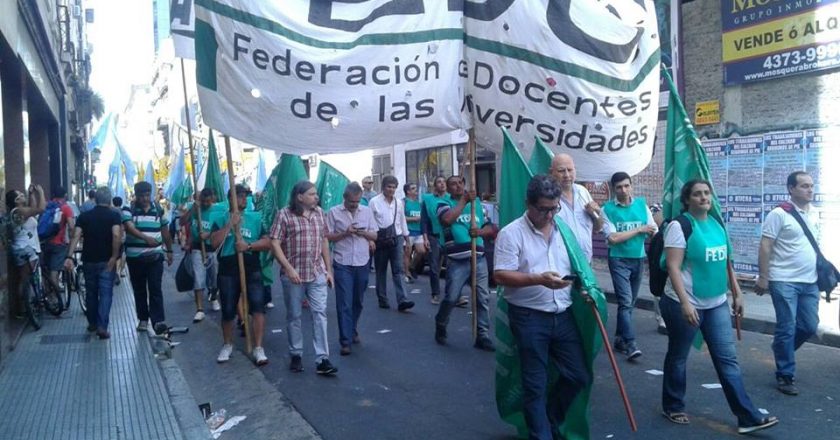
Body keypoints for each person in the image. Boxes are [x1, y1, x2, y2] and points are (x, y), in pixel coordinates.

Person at [660, 179, 778, 434]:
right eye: (697, 194)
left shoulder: (716, 225)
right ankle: (672, 405)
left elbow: (727, 263)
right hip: (685, 302)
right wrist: (685, 303)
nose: (704, 197)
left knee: (727, 359)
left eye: (706, 193)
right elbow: (673, 266)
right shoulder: (680, 227)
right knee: (679, 356)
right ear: (687, 200)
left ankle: (747, 417)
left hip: (716, 304)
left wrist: (737, 294)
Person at [493, 175, 590, 439]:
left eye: (554, 208)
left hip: (563, 314)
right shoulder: (511, 233)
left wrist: (583, 287)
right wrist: (538, 279)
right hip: (529, 317)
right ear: (528, 204)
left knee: (578, 376)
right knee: (535, 384)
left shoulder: (565, 231)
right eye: (543, 209)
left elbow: (577, 268)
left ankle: (550, 419)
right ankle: (541, 434)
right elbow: (500, 275)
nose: (549, 215)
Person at [756, 171, 819, 396]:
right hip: (783, 279)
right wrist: (763, 277)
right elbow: (765, 245)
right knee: (787, 326)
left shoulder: (815, 213)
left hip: (810, 281)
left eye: (811, 186)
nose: (809, 190)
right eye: (804, 186)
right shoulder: (778, 214)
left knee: (809, 326)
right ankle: (785, 374)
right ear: (791, 189)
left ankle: (782, 350)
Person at [271, 181, 338, 376]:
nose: (316, 197)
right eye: (311, 194)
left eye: (316, 194)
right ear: (299, 197)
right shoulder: (284, 214)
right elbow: (275, 243)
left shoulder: (319, 213)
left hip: (316, 272)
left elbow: (324, 239)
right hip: (294, 275)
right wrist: (288, 268)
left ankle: (322, 359)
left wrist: (328, 270)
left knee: (320, 314)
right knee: (294, 315)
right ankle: (296, 354)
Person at [211, 184, 272, 366]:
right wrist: (230, 224)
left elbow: (267, 241)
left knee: (258, 307)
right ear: (231, 199)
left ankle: (258, 347)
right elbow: (214, 244)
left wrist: (249, 246)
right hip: (228, 266)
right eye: (239, 196)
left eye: (245, 196)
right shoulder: (219, 218)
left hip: (251, 265)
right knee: (228, 309)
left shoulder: (255, 218)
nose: (244, 199)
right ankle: (227, 344)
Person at [433, 175, 495, 351]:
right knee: (452, 297)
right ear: (448, 187)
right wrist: (463, 201)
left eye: (461, 183)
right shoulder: (443, 204)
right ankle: (441, 323)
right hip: (457, 260)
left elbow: (491, 227)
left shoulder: (476, 206)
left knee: (482, 297)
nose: (458, 186)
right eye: (453, 184)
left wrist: (480, 232)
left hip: (479, 257)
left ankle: (482, 334)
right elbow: (447, 220)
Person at [601, 172, 658, 360]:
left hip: (638, 258)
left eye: (626, 186)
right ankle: (631, 343)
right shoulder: (607, 209)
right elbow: (613, 238)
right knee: (625, 302)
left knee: (629, 303)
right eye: (619, 187)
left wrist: (650, 229)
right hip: (618, 260)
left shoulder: (642, 206)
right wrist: (640, 229)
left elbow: (653, 229)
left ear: (631, 186)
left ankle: (619, 338)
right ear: (613, 189)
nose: (623, 190)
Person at [326, 182, 378, 356]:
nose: (354, 205)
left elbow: (375, 235)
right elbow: (327, 237)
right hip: (342, 262)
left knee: (358, 301)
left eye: (357, 202)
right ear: (345, 198)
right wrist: (346, 233)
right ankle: (345, 340)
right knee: (344, 303)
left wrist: (363, 234)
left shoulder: (367, 211)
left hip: (362, 261)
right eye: (351, 202)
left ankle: (352, 328)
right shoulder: (334, 212)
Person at [65, 186, 122, 339]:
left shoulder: (84, 216)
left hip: (88, 260)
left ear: (95, 199)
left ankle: (92, 323)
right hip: (106, 261)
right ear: (109, 200)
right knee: (105, 294)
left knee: (91, 293)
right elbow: (116, 235)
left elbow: (75, 236)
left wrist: (69, 256)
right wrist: (114, 257)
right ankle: (102, 326)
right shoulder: (114, 216)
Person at [123, 181, 174, 334]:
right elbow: (129, 228)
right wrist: (145, 238)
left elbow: (165, 230)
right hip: (135, 257)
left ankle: (158, 321)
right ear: (136, 195)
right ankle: (143, 319)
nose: (145, 199)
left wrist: (169, 250)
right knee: (139, 289)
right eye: (142, 196)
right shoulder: (128, 209)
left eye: (147, 195)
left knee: (155, 288)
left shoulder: (158, 209)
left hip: (155, 256)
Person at [369, 175, 415, 312]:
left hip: (397, 237)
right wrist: (371, 239)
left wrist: (407, 240)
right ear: (383, 187)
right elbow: (370, 222)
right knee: (381, 270)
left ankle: (403, 299)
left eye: (394, 187)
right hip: (381, 239)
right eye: (389, 186)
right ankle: (382, 298)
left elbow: (402, 221)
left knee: (398, 269)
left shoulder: (398, 203)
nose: (391, 189)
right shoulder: (374, 202)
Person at [549, 154, 603, 262]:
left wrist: (596, 214)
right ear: (551, 172)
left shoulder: (583, 192)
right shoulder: (548, 197)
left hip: (586, 262)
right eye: (561, 171)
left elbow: (598, 228)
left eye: (570, 170)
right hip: (561, 264)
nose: (567, 175)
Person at [5, 184, 46, 316]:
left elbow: (33, 208)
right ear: (15, 202)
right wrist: (41, 192)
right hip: (25, 249)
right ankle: (24, 308)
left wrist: (31, 194)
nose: (22, 195)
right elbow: (40, 209)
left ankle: (25, 307)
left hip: (24, 248)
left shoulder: (22, 212)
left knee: (25, 279)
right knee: (26, 279)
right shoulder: (19, 212)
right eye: (20, 196)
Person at [184, 188, 221, 323]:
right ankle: (199, 309)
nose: (205, 204)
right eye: (203, 201)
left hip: (212, 249)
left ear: (212, 199)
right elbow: (182, 221)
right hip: (197, 248)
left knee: (215, 277)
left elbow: (222, 230)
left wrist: (209, 235)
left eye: (208, 201)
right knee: (198, 278)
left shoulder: (217, 211)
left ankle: (214, 296)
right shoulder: (195, 210)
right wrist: (192, 210)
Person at [41, 186, 76, 300]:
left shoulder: (46, 205)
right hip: (59, 244)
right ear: (65, 195)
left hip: (45, 242)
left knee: (46, 270)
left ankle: (47, 296)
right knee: (54, 271)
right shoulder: (66, 208)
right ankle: (55, 299)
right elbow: (71, 227)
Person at [421, 176, 447, 304]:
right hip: (433, 236)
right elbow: (424, 221)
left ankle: (453, 294)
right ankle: (435, 293)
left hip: (449, 236)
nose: (442, 184)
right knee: (434, 266)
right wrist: (425, 238)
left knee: (453, 266)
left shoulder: (451, 199)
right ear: (435, 185)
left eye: (443, 182)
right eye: (439, 182)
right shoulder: (428, 200)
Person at [402, 182, 426, 283]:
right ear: (408, 191)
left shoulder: (419, 203)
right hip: (408, 232)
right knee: (407, 253)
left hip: (418, 231)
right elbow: (401, 218)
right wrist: (414, 218)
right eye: (413, 188)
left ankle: (412, 266)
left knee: (421, 251)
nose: (416, 190)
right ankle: (407, 273)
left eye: (416, 188)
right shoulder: (403, 202)